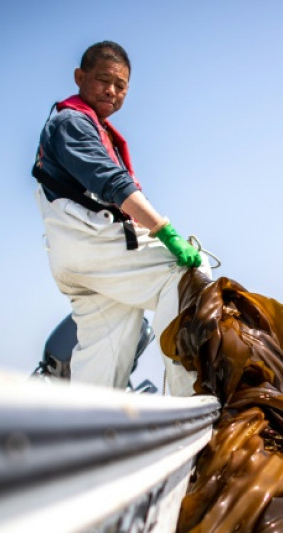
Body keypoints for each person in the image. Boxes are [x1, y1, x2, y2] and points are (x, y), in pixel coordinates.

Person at [33, 41, 210, 395]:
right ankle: (188, 400)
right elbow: (112, 183)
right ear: (80, 77)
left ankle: (85, 435)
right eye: (103, 80)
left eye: (121, 86)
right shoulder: (72, 123)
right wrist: (165, 232)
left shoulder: (91, 128)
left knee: (105, 354)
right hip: (94, 245)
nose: (112, 91)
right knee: (185, 273)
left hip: (82, 260)